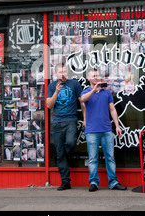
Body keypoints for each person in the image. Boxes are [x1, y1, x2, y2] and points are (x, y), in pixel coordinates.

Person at [80, 69, 127, 192]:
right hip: (92, 130)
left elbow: (112, 110)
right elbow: (83, 99)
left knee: (110, 157)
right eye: (93, 76)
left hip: (106, 129)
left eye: (97, 75)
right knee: (93, 158)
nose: (96, 77)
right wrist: (94, 90)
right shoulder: (86, 92)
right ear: (89, 79)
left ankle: (113, 182)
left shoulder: (107, 93)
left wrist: (117, 125)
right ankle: (94, 182)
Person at [47, 63, 85, 191]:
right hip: (57, 122)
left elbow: (82, 102)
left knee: (70, 142)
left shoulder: (74, 84)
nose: (62, 73)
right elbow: (48, 105)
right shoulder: (52, 86)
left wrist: (85, 118)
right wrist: (56, 92)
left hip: (70, 120)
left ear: (66, 72)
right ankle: (65, 182)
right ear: (56, 73)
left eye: (64, 71)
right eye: (59, 71)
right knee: (60, 153)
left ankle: (64, 155)